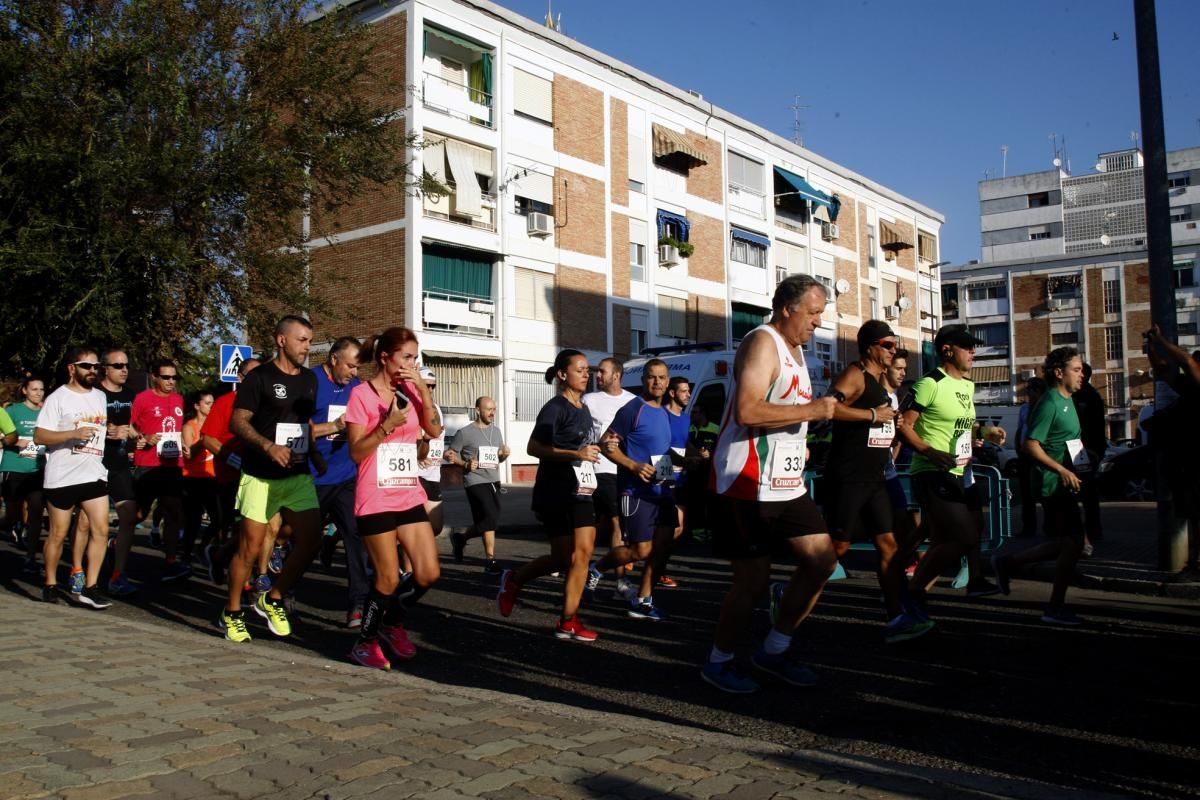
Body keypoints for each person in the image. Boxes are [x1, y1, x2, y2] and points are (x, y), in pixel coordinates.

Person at [700, 275, 838, 694]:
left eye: (821, 315)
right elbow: (747, 410)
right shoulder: (762, 342)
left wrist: (799, 443)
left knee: (822, 561)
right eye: (813, 314)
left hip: (785, 481)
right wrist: (814, 410)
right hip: (746, 481)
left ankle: (774, 649)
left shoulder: (796, 351)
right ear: (786, 308)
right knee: (752, 582)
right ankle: (719, 662)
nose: (818, 323)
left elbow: (784, 413)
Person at [218, 316, 324, 642]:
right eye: (301, 340)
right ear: (281, 340)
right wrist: (267, 446)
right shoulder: (259, 378)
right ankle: (232, 612)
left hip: (297, 475)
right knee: (249, 551)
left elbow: (302, 423)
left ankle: (273, 597)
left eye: (309, 340)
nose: (307, 347)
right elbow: (237, 422)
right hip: (260, 475)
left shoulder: (309, 380)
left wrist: (315, 455)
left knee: (311, 540)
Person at [826, 321, 930, 644]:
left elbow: (881, 426)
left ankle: (896, 616)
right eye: (887, 344)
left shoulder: (877, 382)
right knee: (839, 547)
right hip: (849, 476)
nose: (893, 350)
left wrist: (892, 423)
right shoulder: (855, 374)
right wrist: (872, 416)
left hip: (875, 478)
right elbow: (829, 406)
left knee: (888, 545)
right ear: (871, 346)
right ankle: (788, 590)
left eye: (894, 345)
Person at [344, 326, 442, 670]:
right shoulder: (362, 395)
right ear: (385, 358)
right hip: (376, 497)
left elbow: (434, 430)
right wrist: (386, 425)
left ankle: (391, 621)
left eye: (415, 358)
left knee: (428, 573)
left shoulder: (411, 392)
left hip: (407, 492)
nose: (412, 364)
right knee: (386, 578)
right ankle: (364, 643)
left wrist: (422, 392)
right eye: (407, 358)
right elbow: (356, 452)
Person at [898, 324, 1006, 616]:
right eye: (967, 346)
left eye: (973, 347)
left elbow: (963, 425)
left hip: (963, 471)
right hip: (933, 471)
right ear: (947, 350)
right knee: (960, 538)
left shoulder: (967, 385)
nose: (973, 352)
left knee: (972, 532)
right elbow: (903, 426)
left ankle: (975, 580)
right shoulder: (929, 383)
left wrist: (985, 431)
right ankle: (912, 591)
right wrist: (930, 452)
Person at [496, 349, 602, 641]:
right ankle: (514, 580)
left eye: (587, 370)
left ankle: (569, 620)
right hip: (554, 490)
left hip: (581, 489)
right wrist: (574, 453)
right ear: (562, 374)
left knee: (583, 553)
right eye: (580, 369)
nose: (586, 374)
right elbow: (533, 448)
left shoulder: (583, 407)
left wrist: (599, 446)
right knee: (562, 558)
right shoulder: (555, 408)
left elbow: (582, 445)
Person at [993, 347, 1090, 625]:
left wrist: (1083, 461)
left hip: (1066, 480)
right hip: (1052, 484)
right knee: (1072, 542)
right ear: (1059, 373)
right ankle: (1053, 606)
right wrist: (1061, 469)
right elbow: (1030, 445)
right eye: (1076, 369)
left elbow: (1067, 439)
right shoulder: (1048, 402)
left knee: (1068, 542)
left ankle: (1009, 563)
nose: (1081, 374)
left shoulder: (1068, 399)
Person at [585, 358, 675, 620]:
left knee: (662, 548)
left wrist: (683, 462)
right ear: (643, 380)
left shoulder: (665, 412)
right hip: (636, 492)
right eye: (651, 377)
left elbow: (660, 450)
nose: (656, 382)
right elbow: (606, 444)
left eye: (661, 377)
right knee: (642, 550)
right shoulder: (632, 409)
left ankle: (644, 601)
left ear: (667, 382)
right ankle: (597, 569)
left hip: (663, 489)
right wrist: (633, 466)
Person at [34, 348, 111, 609]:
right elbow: (40, 436)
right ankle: (50, 583)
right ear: (71, 368)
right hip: (62, 476)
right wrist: (71, 435)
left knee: (101, 529)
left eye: (95, 366)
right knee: (58, 533)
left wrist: (111, 431)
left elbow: (98, 428)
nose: (92, 371)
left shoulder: (100, 396)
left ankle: (91, 587)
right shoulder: (58, 398)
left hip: (93, 472)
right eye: (85, 366)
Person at [309, 336, 370, 628]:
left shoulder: (357, 389)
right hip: (312, 475)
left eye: (358, 368)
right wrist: (332, 427)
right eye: (350, 366)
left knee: (356, 538)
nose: (354, 373)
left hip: (347, 476)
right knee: (305, 541)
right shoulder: (310, 382)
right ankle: (285, 591)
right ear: (333, 358)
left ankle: (357, 603)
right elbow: (294, 429)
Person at [200, 357, 260, 584]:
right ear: (240, 378)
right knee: (242, 529)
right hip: (231, 476)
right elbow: (207, 439)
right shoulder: (226, 402)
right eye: (252, 376)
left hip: (259, 474)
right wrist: (233, 459)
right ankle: (240, 580)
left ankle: (221, 556)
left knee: (257, 529)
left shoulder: (265, 402)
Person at [130, 359, 190, 581]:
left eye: (174, 377)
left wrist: (184, 443)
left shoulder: (178, 399)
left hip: (172, 465)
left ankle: (171, 561)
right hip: (147, 464)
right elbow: (131, 426)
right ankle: (119, 542)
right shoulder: (142, 399)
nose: (171, 381)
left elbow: (178, 427)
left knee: (173, 512)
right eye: (166, 377)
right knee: (140, 513)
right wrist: (143, 438)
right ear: (154, 377)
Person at [582, 358, 636, 596]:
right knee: (616, 523)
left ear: (617, 375)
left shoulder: (633, 402)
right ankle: (620, 582)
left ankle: (585, 569)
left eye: (602, 372)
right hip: (600, 468)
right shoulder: (589, 400)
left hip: (625, 469)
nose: (597, 376)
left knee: (606, 523)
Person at [446, 396, 510, 574]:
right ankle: (490, 560)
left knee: (488, 519)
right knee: (489, 516)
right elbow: (449, 454)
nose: (492, 413)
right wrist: (464, 464)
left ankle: (460, 538)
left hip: (493, 480)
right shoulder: (465, 432)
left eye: (494, 409)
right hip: (474, 480)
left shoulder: (496, 431)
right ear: (477, 410)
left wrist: (504, 455)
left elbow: (498, 458)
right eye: (488, 409)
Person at [96, 349, 141, 595]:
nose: (124, 369)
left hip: (121, 464)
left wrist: (139, 437)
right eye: (118, 365)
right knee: (92, 523)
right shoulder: (95, 395)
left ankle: (117, 573)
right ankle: (81, 570)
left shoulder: (130, 395)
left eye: (126, 365)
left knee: (128, 517)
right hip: (95, 466)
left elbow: (133, 427)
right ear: (105, 368)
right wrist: (107, 432)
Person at [2, 377, 46, 574]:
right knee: (12, 516)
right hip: (14, 467)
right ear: (25, 391)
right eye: (34, 389)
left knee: (36, 512)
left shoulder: (47, 412)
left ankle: (30, 558)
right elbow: (4, 434)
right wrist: (11, 441)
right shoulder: (13, 411)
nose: (38, 393)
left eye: (41, 389)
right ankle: (13, 525)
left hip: (38, 469)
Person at [657, 375, 693, 589]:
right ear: (672, 393)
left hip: (682, 478)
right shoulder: (661, 415)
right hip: (664, 472)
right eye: (683, 391)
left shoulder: (686, 418)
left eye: (688, 391)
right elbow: (659, 444)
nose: (688, 394)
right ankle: (651, 564)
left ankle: (658, 567)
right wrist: (678, 460)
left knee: (677, 529)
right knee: (663, 527)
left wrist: (698, 455)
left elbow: (686, 444)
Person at [180, 389, 220, 565]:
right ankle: (186, 556)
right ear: (197, 406)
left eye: (213, 403)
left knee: (219, 517)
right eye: (208, 403)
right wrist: (202, 441)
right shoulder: (189, 427)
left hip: (212, 477)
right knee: (194, 520)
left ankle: (202, 547)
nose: (212, 406)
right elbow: (188, 454)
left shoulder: (215, 425)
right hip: (193, 478)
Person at [1073, 363, 1106, 548]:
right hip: (1081, 450)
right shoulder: (1079, 395)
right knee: (1084, 494)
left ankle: (1091, 532)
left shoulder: (1089, 396)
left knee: (1087, 494)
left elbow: (1094, 426)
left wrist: (1094, 451)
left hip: (1087, 451)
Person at [1013, 377, 1048, 538]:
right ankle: (1029, 527)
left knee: (1044, 492)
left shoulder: (1046, 408)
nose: (1029, 394)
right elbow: (1021, 429)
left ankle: (1050, 526)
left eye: (1032, 390)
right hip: (1025, 456)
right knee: (1026, 494)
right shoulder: (1024, 408)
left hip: (1041, 455)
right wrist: (1018, 447)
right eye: (1028, 390)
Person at [417, 367, 447, 538]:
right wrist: (421, 448)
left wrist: (444, 453)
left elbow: (437, 439)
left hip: (433, 474)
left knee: (435, 526)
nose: (430, 390)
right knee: (416, 525)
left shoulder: (436, 408)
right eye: (426, 385)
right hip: (416, 474)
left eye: (433, 386)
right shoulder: (411, 407)